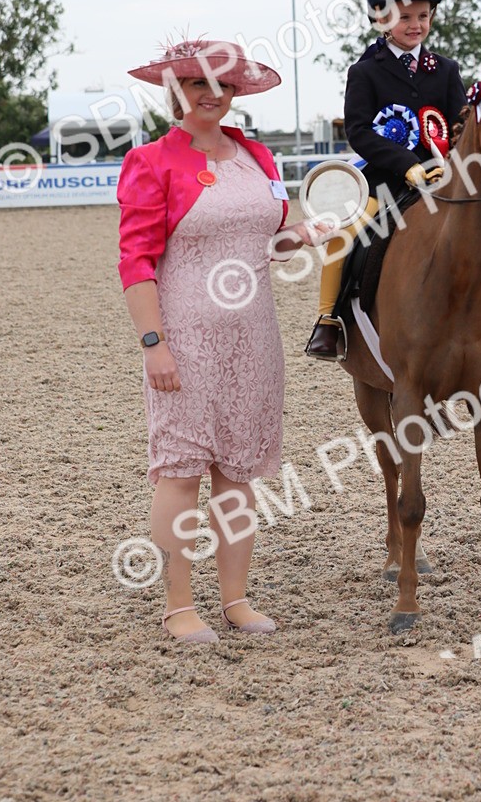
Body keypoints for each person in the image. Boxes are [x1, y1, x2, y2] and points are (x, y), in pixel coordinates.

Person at [118, 38, 329, 645]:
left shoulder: (256, 156)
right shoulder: (151, 162)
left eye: (226, 86)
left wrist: (305, 235)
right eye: (199, 85)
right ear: (176, 92)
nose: (214, 96)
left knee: (239, 472)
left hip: (254, 335)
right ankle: (180, 604)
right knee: (181, 472)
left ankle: (236, 598)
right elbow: (135, 260)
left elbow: (272, 238)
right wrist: (153, 343)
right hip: (184, 334)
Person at [305, 0, 481, 359]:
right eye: (405, 16)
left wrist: (455, 162)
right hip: (386, 179)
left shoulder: (445, 70)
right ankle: (329, 319)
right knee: (347, 229)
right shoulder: (365, 72)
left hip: (444, 176)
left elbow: (459, 124)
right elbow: (359, 131)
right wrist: (406, 166)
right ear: (381, 19)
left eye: (424, 16)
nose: (416, 25)